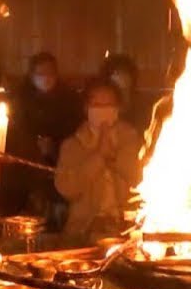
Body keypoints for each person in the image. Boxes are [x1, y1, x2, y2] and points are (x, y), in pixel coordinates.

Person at [55, 79, 143, 244]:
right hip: (84, 230)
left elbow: (138, 177)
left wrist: (112, 156)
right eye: (97, 104)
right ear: (86, 108)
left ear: (118, 108)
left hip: (126, 228)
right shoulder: (72, 145)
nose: (103, 110)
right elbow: (67, 188)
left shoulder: (130, 138)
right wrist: (98, 157)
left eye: (108, 104)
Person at [2, 52, 84, 222]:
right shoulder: (20, 99)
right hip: (23, 165)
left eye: (49, 73)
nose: (45, 78)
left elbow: (75, 131)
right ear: (31, 75)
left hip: (59, 162)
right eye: (40, 74)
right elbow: (13, 131)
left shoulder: (69, 100)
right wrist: (33, 145)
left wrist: (54, 147)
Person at [101, 53, 156, 133]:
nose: (120, 77)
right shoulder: (102, 105)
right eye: (116, 73)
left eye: (124, 73)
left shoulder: (145, 105)